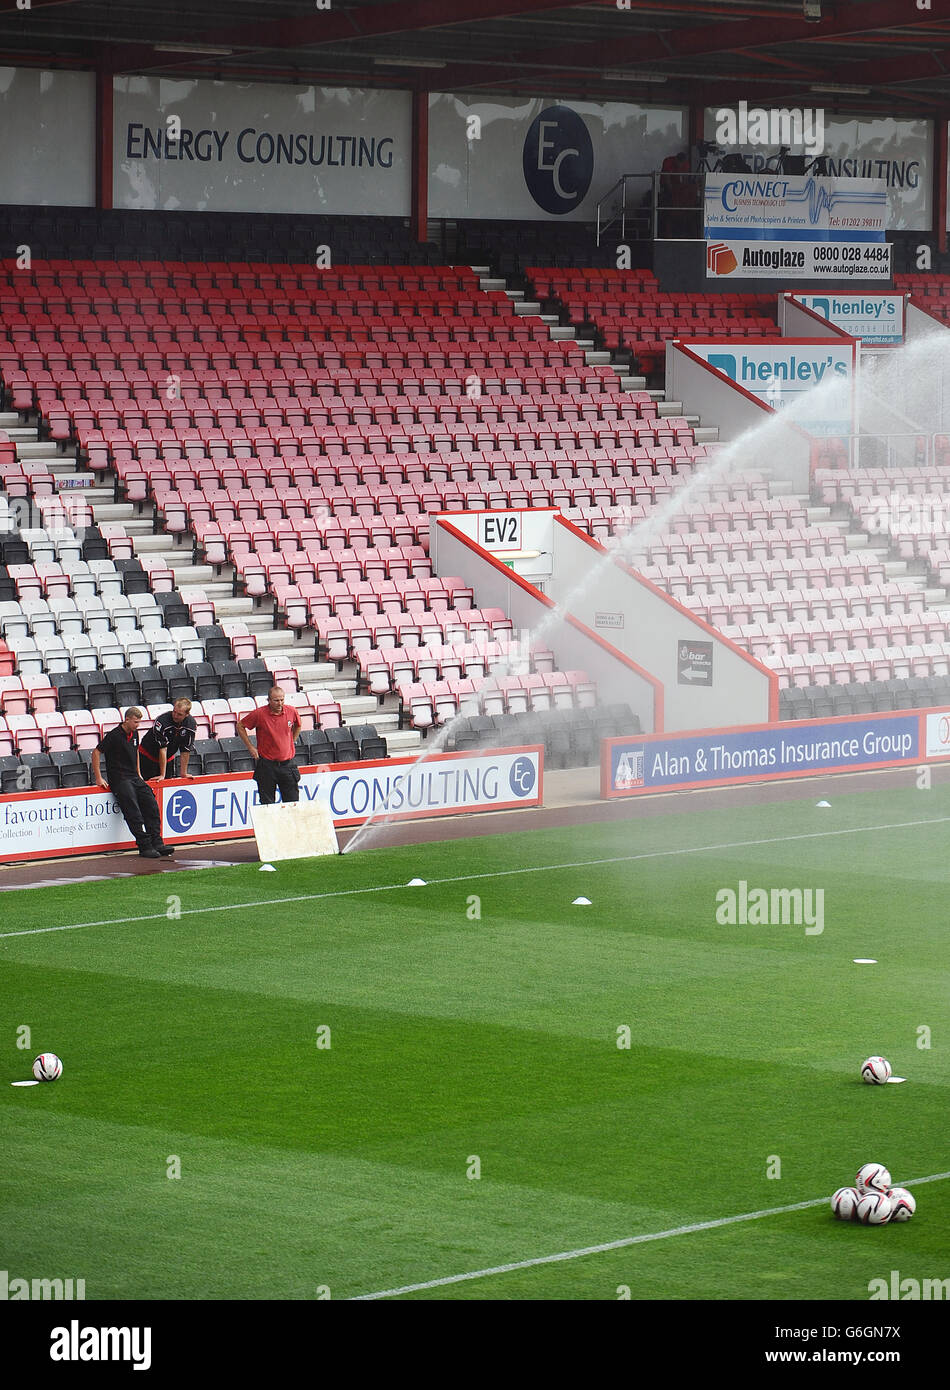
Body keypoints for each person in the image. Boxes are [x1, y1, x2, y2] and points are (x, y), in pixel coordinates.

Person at [91, 708, 174, 859]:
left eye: (139, 722)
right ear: (127, 719)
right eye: (136, 722)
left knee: (151, 804)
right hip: (120, 778)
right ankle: (144, 845)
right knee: (133, 810)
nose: (138, 725)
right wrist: (99, 777)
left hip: (134, 776)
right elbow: (96, 752)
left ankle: (157, 841)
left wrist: (139, 773)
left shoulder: (135, 734)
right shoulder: (114, 735)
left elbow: (136, 751)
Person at [236, 685, 301, 806]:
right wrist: (250, 747)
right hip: (267, 766)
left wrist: (293, 740)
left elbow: (298, 725)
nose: (279, 703)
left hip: (287, 765)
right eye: (276, 700)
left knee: (293, 803)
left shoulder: (292, 711)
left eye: (282, 700)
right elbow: (240, 726)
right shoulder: (260, 713)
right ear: (269, 700)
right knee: (267, 804)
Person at [139, 697, 197, 783]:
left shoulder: (191, 724)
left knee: (166, 784)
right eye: (174, 712)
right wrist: (162, 774)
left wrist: (184, 773)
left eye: (179, 714)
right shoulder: (162, 721)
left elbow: (185, 749)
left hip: (168, 757)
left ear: (187, 714)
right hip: (148, 755)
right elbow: (163, 748)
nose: (175, 716)